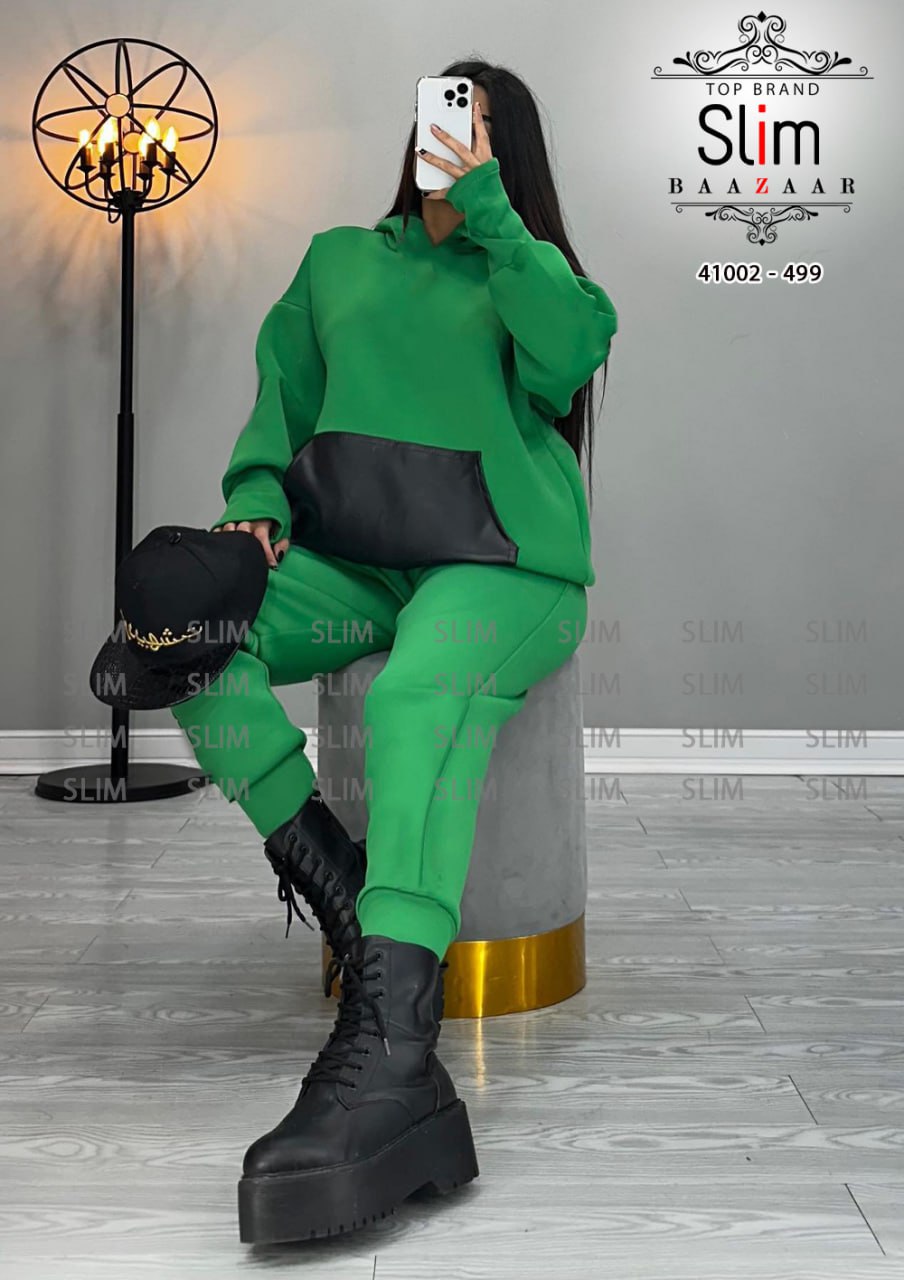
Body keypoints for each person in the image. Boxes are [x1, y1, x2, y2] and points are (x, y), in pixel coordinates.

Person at [170, 58, 618, 1244]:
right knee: (180, 632)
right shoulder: (337, 260)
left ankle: (392, 1053)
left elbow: (569, 356)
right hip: (358, 561)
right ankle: (347, 900)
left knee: (416, 696)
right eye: (437, 115)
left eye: (475, 125)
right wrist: (254, 502)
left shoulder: (528, 265)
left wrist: (493, 214)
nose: (447, 136)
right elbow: (278, 409)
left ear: (507, 150)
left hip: (504, 562)